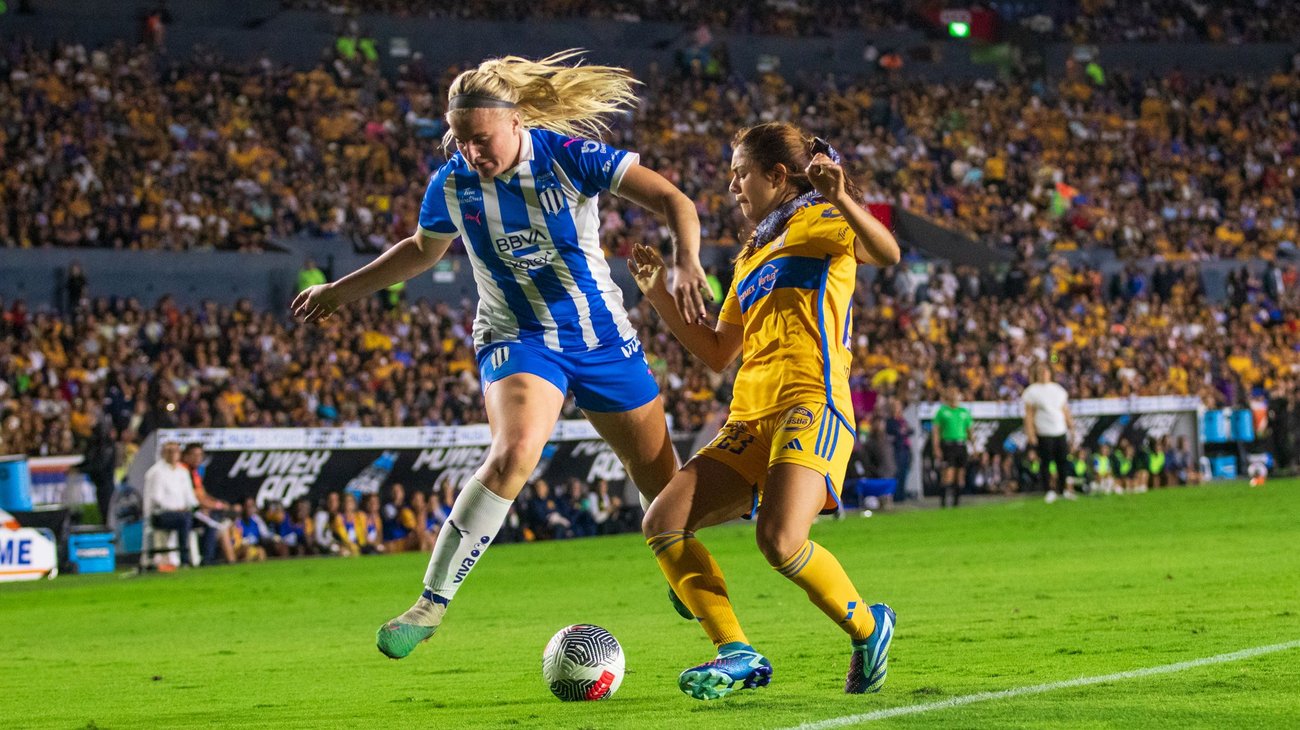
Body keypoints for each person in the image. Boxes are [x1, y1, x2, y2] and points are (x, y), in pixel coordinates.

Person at [293, 50, 710, 660]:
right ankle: (430, 604)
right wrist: (339, 291)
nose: (471, 154)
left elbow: (676, 201)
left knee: (661, 484)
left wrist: (687, 260)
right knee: (514, 451)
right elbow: (421, 250)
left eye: (481, 140)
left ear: (518, 124)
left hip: (599, 336)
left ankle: (681, 562)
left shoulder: (569, 158)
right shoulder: (453, 183)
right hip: (516, 336)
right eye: (460, 141)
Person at [629, 122, 901, 699]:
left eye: (740, 173)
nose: (732, 185)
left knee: (779, 541)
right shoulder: (751, 256)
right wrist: (656, 294)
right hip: (748, 417)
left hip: (812, 401)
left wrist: (842, 195)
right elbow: (716, 353)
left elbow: (888, 252)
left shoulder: (824, 219)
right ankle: (737, 652)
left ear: (777, 175)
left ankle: (869, 627)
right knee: (662, 521)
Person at [1022, 363, 1075, 503]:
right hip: (1044, 431)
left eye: (1046, 371)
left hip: (1060, 429)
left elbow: (1064, 409)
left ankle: (1063, 489)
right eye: (1041, 372)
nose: (1044, 374)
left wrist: (1071, 425)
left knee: (1062, 461)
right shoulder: (1032, 391)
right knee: (1046, 462)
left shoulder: (1058, 390)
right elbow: (1029, 415)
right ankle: (1049, 490)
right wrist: (1031, 434)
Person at [142, 441, 197, 571]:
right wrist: (176, 509)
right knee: (184, 520)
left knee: (200, 520)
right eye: (169, 451)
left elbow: (190, 496)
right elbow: (157, 499)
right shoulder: (156, 472)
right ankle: (184, 559)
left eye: (175, 451)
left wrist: (197, 507)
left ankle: (206, 558)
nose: (173, 454)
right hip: (160, 515)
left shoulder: (183, 471)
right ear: (163, 453)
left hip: (182, 513)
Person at [931, 386, 973, 508]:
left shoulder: (964, 412)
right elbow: (936, 431)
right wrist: (936, 447)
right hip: (948, 445)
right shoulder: (942, 411)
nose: (955, 396)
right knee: (948, 475)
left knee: (960, 475)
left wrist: (974, 447)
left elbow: (970, 430)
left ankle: (956, 504)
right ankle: (943, 503)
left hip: (961, 444)